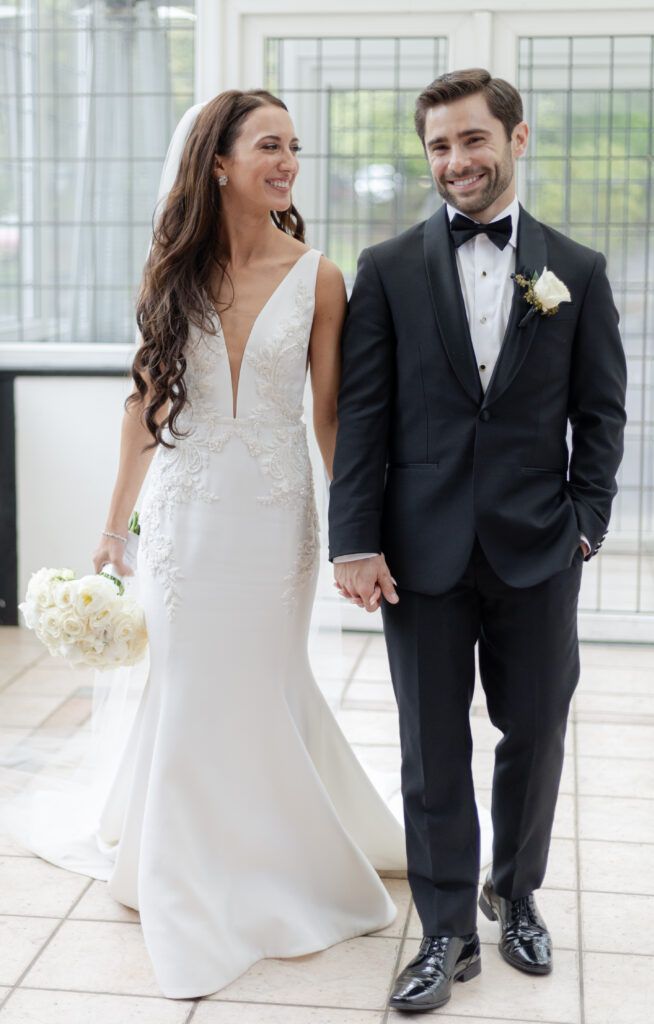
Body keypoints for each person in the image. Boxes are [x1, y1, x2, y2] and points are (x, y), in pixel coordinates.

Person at [86, 89, 405, 998]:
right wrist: (115, 527)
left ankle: (275, 864)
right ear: (216, 161)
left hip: (275, 522)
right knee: (187, 686)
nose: (287, 162)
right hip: (187, 525)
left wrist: (360, 533)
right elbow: (143, 409)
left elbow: (332, 416)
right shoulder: (167, 273)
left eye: (293, 148)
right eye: (269, 145)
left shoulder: (320, 277)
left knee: (260, 684)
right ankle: (186, 884)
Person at [329, 69, 626, 1014]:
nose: (454, 162)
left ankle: (518, 892)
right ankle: (447, 926)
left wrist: (585, 524)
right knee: (429, 744)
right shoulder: (385, 269)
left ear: (516, 138)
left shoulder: (575, 272)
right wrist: (354, 541)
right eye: (438, 148)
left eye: (470, 141)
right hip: (417, 554)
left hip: (540, 546)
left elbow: (602, 412)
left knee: (533, 733)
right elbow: (362, 415)